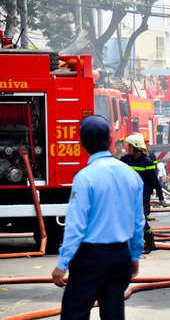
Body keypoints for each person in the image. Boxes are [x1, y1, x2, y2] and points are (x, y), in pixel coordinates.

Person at [52, 115, 145, 319]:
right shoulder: (131, 175)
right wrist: (134, 255)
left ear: (81, 143)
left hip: (90, 258)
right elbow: (139, 222)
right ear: (111, 139)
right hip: (120, 255)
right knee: (113, 314)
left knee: (74, 314)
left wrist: (63, 263)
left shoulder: (85, 177)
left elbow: (76, 225)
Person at [121, 133, 162, 254]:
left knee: (141, 220)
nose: (128, 148)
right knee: (134, 220)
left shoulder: (147, 162)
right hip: (131, 195)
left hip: (143, 195)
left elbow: (154, 180)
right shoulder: (127, 159)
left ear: (137, 147)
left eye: (130, 146)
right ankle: (147, 243)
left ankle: (150, 243)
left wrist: (161, 196)